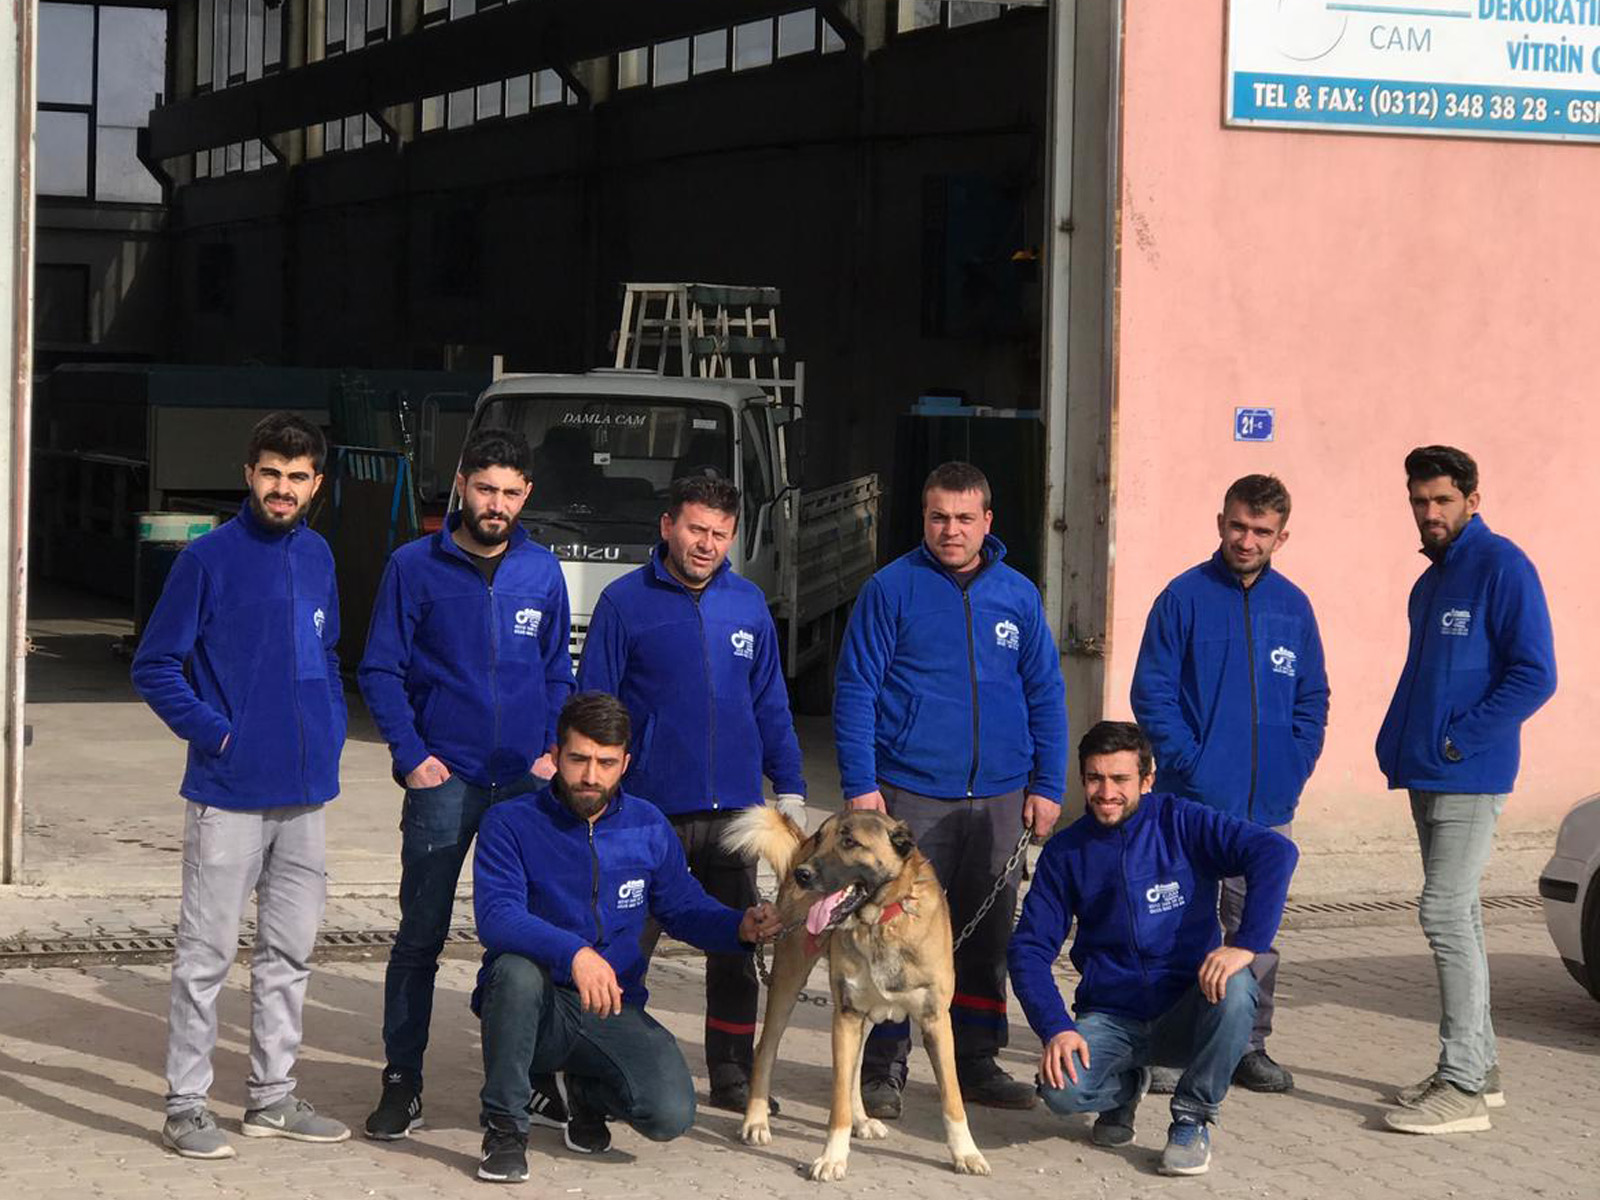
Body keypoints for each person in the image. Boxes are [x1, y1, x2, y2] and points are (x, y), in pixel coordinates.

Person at [132, 412, 350, 1158]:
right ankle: (186, 1107)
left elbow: (325, 651)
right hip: (227, 794)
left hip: (305, 795)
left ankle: (272, 1098)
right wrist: (219, 733)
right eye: (271, 474)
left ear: (316, 484)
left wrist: (327, 730)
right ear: (248, 475)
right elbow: (155, 665)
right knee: (206, 957)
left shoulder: (319, 554)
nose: (282, 488)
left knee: (290, 955)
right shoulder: (206, 561)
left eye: (297, 477)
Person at [358, 427, 574, 1140]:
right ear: (461, 484)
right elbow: (379, 669)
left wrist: (551, 751)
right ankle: (402, 1081)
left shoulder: (542, 571)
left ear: (527, 494)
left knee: (526, 940)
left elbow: (557, 671)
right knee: (419, 938)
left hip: (525, 786)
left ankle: (529, 1076)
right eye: (485, 489)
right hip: (444, 781)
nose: (496, 504)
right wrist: (412, 756)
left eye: (510, 492)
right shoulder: (412, 567)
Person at [833, 460, 1068, 1117]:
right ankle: (884, 1069)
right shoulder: (890, 590)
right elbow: (856, 690)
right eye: (939, 517)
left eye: (965, 518)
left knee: (986, 933)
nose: (951, 530)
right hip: (910, 793)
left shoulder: (1018, 595)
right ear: (924, 518)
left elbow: (1045, 692)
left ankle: (977, 1060)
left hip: (1000, 797)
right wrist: (861, 784)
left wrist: (1049, 784)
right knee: (896, 932)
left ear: (988, 521)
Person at [471, 692, 783, 1183]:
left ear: (625, 764)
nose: (590, 776)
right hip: (537, 1004)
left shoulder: (648, 824)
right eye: (578, 759)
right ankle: (505, 1129)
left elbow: (683, 906)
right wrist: (575, 953)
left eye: (606, 763)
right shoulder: (510, 822)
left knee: (670, 1113)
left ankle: (583, 1095)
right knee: (513, 973)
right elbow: (497, 916)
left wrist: (738, 926)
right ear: (555, 755)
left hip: (612, 1004)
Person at [575, 474, 805, 1112]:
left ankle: (732, 1072)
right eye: (696, 529)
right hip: (648, 812)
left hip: (736, 813)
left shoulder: (748, 604)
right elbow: (595, 703)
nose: (707, 544)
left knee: (739, 942)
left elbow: (770, 703)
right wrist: (598, 790)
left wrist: (789, 785)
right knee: (626, 943)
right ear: (668, 526)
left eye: (720, 534)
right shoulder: (624, 603)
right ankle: (605, 1059)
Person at [1008, 721, 1298, 1177]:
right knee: (1059, 1091)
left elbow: (1275, 852)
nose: (1106, 792)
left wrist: (1246, 944)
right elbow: (1027, 951)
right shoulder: (1065, 853)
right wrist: (1055, 1028)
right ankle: (1125, 1087)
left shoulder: (1183, 822)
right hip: (1111, 1015)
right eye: (1095, 778)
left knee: (1239, 987)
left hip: (1188, 1012)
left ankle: (1191, 1119)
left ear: (1147, 779)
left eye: (1120, 779)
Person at [1375, 445, 1555, 1135]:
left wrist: (1459, 740)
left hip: (1469, 772)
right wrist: (1403, 742)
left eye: (1443, 499)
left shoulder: (1503, 566)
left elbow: (1535, 674)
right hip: (1428, 769)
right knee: (1464, 917)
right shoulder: (1430, 582)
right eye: (1419, 500)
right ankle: (1482, 1068)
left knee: (1443, 913)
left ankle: (1462, 1088)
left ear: (1472, 501)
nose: (1430, 512)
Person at [1129, 474, 1328, 1094]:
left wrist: (1294, 763)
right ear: (1221, 523)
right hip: (1189, 802)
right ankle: (1170, 1045)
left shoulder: (1293, 607)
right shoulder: (1182, 598)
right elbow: (1152, 693)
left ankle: (1246, 1045)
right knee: (1178, 924)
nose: (1247, 540)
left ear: (1281, 537)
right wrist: (1191, 765)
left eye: (1261, 531)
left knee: (1254, 929)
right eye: (1238, 525)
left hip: (1266, 807)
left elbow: (1312, 698)